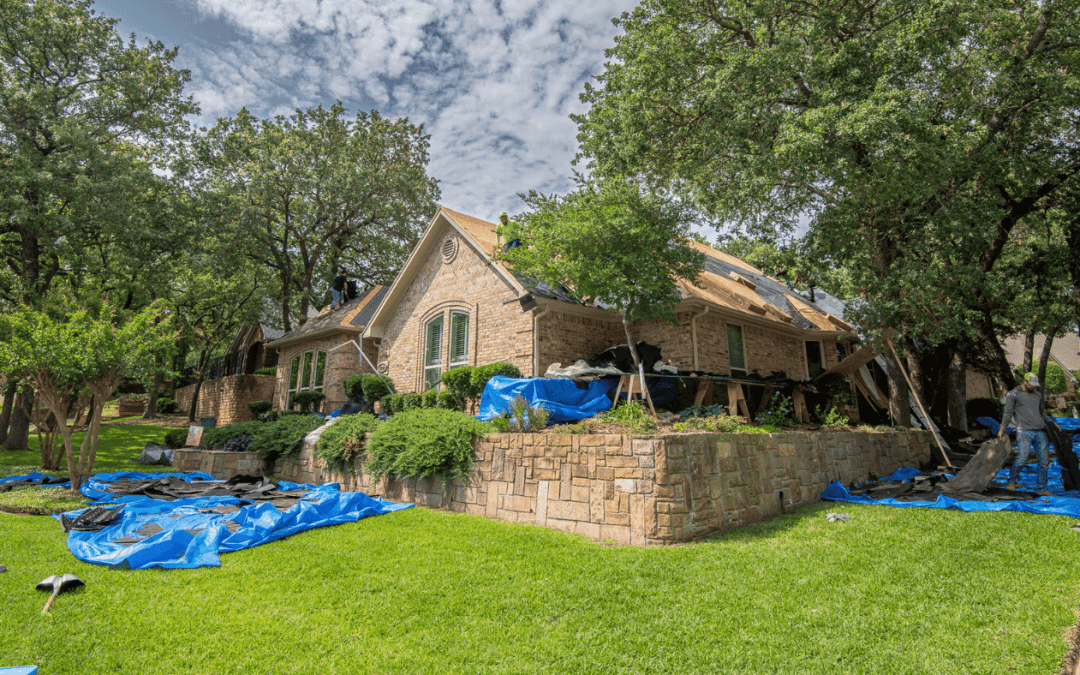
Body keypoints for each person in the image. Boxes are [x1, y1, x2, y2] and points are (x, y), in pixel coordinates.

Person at [998, 372, 1051, 495]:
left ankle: (1042, 488)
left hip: (1040, 431)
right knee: (1022, 457)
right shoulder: (1013, 394)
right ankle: (1011, 482)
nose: (1034, 387)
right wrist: (1002, 429)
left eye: (1035, 385)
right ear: (1024, 381)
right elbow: (1008, 413)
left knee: (1044, 461)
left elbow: (1041, 413)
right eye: (1031, 384)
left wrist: (1051, 423)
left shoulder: (1037, 395)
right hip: (1024, 431)